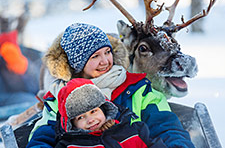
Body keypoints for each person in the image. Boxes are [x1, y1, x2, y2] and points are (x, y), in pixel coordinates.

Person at [26, 23, 195, 148]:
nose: (105, 61)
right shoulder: (59, 99)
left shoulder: (138, 90)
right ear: (77, 65)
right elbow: (42, 139)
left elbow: (167, 127)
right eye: (95, 57)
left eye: (107, 52)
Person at [54, 78, 167, 148]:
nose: (90, 119)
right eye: (80, 117)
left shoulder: (132, 130)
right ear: (71, 124)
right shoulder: (70, 145)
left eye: (93, 111)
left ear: (104, 109)